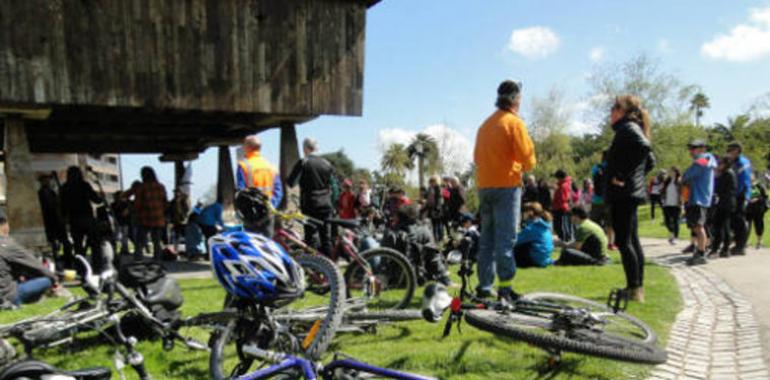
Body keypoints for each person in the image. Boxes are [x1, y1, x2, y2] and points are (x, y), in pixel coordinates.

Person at [472, 79, 536, 302]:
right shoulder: (514, 123)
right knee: (506, 239)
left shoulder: (485, 125)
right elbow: (528, 159)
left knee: (487, 240)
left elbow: (477, 158)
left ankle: (484, 286)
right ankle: (505, 288)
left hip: (484, 187)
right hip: (506, 187)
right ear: (515, 99)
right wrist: (523, 166)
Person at [605, 95, 655, 302]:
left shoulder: (628, 128)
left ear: (622, 111)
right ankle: (635, 287)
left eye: (614, 108)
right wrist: (635, 178)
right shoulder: (630, 128)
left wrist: (623, 176)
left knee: (624, 242)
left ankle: (635, 289)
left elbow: (645, 149)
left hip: (624, 195)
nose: (610, 112)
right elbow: (650, 161)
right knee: (631, 241)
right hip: (629, 194)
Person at [286, 138, 338, 256]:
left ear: (305, 148)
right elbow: (335, 187)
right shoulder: (327, 163)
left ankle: (313, 267)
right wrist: (333, 203)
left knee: (310, 238)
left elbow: (291, 182)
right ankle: (330, 268)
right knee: (326, 238)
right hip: (326, 205)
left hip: (309, 205)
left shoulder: (303, 162)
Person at [381, 204, 452, 286]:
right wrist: (446, 280)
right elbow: (434, 259)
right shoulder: (425, 231)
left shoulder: (391, 233)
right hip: (419, 278)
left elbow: (384, 260)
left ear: (399, 217)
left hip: (395, 279)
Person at [0, 210, 58, 307]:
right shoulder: (7, 244)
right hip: (8, 296)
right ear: (4, 224)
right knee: (47, 279)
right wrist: (55, 280)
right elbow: (38, 267)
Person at [682, 139, 717, 266]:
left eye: (694, 148)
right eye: (690, 148)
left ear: (702, 148)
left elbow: (686, 175)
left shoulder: (702, 160)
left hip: (698, 197)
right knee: (698, 227)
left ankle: (701, 253)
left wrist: (684, 176)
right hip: (701, 197)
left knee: (698, 226)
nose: (691, 151)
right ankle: (700, 250)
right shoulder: (708, 160)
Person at [60, 166, 103, 266]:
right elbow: (96, 200)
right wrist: (100, 196)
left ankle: (81, 268)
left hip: (74, 220)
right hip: (87, 218)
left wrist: (64, 219)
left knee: (78, 246)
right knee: (95, 244)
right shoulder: (84, 185)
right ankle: (97, 267)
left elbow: (63, 206)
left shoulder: (64, 187)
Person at [236, 135, 283, 208]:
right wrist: (271, 206)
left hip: (252, 210)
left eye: (244, 145)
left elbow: (241, 191)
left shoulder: (243, 166)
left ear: (248, 147)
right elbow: (278, 191)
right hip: (269, 209)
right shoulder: (271, 167)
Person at [131, 167, 167, 261]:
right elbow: (164, 201)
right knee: (156, 240)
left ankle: (138, 257)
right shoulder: (160, 186)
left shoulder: (142, 187)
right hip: (158, 217)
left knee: (140, 239)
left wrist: (135, 213)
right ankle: (157, 258)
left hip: (144, 217)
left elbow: (137, 203)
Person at [37, 174, 72, 268]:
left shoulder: (51, 192)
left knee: (64, 244)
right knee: (55, 245)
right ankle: (58, 263)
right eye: (45, 180)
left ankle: (66, 262)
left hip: (57, 222)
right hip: (51, 222)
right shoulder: (42, 193)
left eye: (48, 180)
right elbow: (50, 207)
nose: (47, 182)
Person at [725, 142, 753, 256]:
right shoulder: (737, 162)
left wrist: (735, 194)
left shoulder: (741, 162)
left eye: (730, 150)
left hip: (741, 194)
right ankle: (738, 244)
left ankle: (741, 246)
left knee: (739, 220)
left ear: (736, 150)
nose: (728, 152)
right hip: (738, 193)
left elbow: (742, 181)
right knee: (735, 220)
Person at [709, 157, 737, 258]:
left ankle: (718, 249)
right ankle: (724, 249)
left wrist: (716, 176)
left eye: (720, 163)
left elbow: (719, 187)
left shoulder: (727, 174)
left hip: (725, 203)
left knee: (720, 226)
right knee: (724, 226)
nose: (718, 165)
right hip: (724, 202)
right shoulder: (726, 173)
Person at [513, 202, 554, 268]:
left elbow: (515, 241)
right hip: (543, 260)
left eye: (524, 212)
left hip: (535, 261)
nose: (522, 214)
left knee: (515, 248)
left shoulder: (532, 228)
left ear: (530, 213)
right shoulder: (543, 226)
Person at [590, 151, 616, 250]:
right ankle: (610, 243)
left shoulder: (596, 168)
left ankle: (597, 242)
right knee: (610, 224)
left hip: (596, 199)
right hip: (609, 200)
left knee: (595, 223)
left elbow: (593, 180)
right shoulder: (612, 168)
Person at [661, 167, 683, 245]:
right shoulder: (667, 181)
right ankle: (671, 232)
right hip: (667, 204)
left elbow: (681, 193)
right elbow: (663, 191)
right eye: (670, 171)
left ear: (676, 172)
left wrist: (681, 202)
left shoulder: (679, 181)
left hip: (676, 204)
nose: (671, 173)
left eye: (673, 171)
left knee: (676, 221)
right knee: (667, 221)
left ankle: (674, 237)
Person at [747, 173, 768, 249]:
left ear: (754, 177)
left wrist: (757, 199)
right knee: (747, 226)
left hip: (758, 209)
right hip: (748, 209)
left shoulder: (759, 186)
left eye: (751, 176)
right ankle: (745, 241)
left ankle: (759, 241)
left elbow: (765, 197)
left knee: (759, 225)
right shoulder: (747, 186)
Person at [552, 169, 573, 242]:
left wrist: (555, 198)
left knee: (562, 225)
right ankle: (563, 238)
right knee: (557, 225)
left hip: (561, 208)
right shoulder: (562, 185)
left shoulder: (564, 185)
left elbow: (564, 198)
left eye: (557, 178)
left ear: (560, 178)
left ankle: (565, 239)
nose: (556, 179)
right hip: (558, 207)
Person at [111, 190, 132, 255]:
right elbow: (113, 213)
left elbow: (127, 213)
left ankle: (124, 250)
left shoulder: (124, 203)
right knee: (117, 237)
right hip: (118, 223)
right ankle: (116, 250)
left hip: (123, 223)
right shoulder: (114, 204)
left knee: (123, 237)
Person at [425, 175, 445, 242]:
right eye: (430, 181)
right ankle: (436, 240)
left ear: (436, 181)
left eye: (432, 181)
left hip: (437, 210)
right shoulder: (430, 188)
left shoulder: (438, 188)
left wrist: (437, 209)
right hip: (432, 209)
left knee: (438, 225)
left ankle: (440, 240)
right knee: (434, 226)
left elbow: (440, 199)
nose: (431, 183)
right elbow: (428, 198)